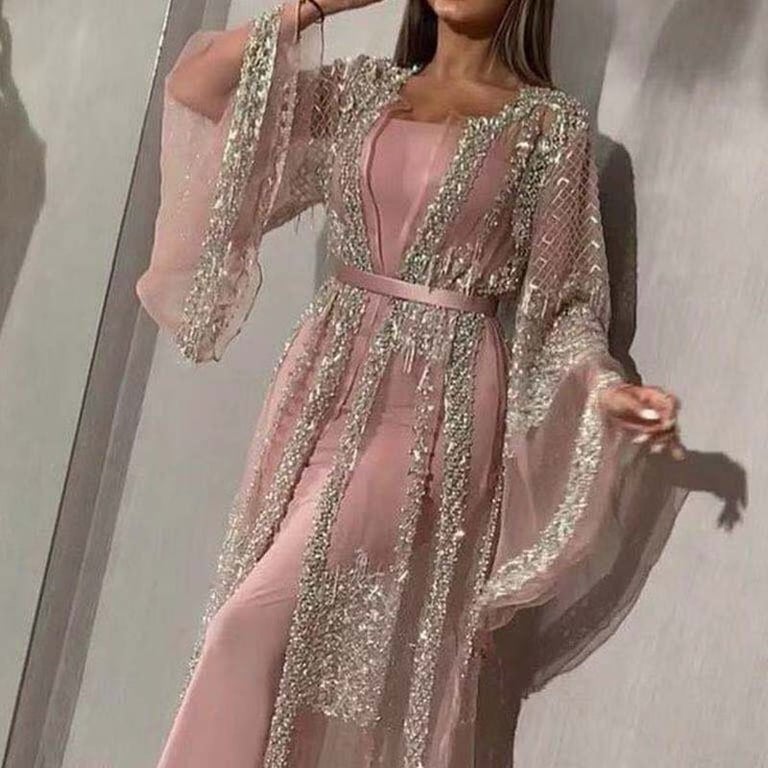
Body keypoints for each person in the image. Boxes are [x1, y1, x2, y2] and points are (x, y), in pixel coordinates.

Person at [135, 0, 688, 765]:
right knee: (290, 651)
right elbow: (198, 87)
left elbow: (563, 306)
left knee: (248, 625)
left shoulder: (547, 127)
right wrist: (317, 7)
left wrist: (604, 390)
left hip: (435, 408)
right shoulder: (361, 93)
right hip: (321, 385)